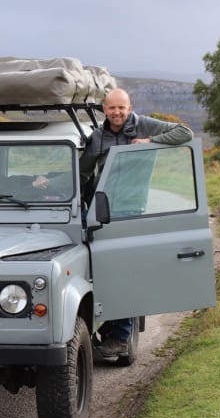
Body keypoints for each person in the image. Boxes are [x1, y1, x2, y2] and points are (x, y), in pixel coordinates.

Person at [40, 88, 194, 359]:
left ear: (129, 107)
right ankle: (111, 331)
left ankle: (121, 338)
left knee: (123, 271)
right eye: (112, 108)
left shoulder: (143, 124)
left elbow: (185, 133)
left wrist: (150, 141)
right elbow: (83, 171)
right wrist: (47, 183)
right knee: (104, 270)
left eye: (122, 108)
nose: (117, 113)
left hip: (132, 208)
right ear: (105, 110)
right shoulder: (99, 137)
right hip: (104, 209)